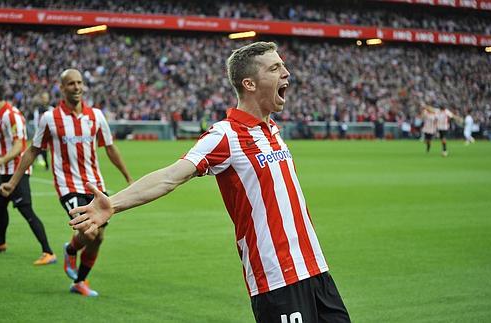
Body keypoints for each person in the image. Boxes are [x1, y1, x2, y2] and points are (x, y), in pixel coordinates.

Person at [69, 42, 350, 322]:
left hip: (316, 270)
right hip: (277, 278)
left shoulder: (272, 129)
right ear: (249, 84)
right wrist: (113, 205)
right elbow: (170, 176)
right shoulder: (225, 135)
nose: (286, 73)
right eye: (275, 68)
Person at [0, 69, 134, 297]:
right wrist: (13, 182)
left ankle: (79, 281)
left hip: (94, 184)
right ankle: (71, 249)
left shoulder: (97, 116)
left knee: (99, 237)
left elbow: (110, 148)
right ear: (62, 88)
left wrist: (128, 178)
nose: (77, 87)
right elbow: (33, 150)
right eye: (71, 84)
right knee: (88, 232)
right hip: (67, 185)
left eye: (80, 83)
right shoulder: (50, 118)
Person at [0, 82, 56, 266]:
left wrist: (4, 159)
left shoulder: (11, 116)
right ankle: (0, 243)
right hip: (4, 171)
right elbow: (4, 147)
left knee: (26, 210)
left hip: (16, 172)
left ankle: (48, 252)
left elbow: (20, 146)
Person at [33, 92, 53, 170]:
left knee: (46, 150)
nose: (44, 99)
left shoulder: (51, 109)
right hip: (40, 133)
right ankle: (31, 164)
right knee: (35, 149)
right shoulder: (38, 110)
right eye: (43, 98)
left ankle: (49, 165)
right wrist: (37, 132)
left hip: (49, 133)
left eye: (46, 97)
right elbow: (35, 121)